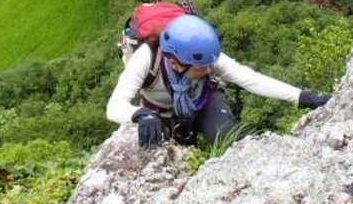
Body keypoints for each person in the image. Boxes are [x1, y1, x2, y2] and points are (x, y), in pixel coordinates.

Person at [106, 14, 330, 148]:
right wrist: (141, 115)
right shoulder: (147, 58)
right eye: (202, 68)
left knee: (227, 137)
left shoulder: (205, 57)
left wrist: (302, 97)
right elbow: (114, 107)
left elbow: (250, 79)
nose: (208, 70)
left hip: (203, 100)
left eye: (208, 65)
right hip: (159, 114)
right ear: (176, 63)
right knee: (160, 151)